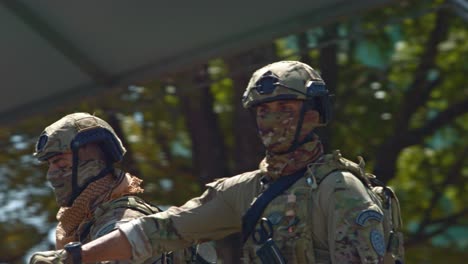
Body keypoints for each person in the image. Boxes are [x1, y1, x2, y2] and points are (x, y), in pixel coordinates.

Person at [30, 61, 404, 264]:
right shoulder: (243, 191)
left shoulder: (338, 188)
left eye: (286, 109)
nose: (272, 121)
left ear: (314, 115)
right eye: (264, 111)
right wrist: (74, 258)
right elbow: (158, 232)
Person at [29, 113, 214, 264]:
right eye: (50, 166)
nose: (51, 175)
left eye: (60, 164)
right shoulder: (85, 223)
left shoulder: (120, 220)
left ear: (90, 161)